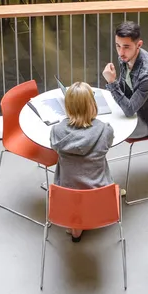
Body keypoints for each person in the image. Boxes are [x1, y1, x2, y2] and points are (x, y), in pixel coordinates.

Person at [50, 82, 115, 242]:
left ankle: (75, 227)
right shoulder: (105, 131)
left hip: (66, 198)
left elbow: (54, 147)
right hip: (99, 196)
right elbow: (107, 145)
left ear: (68, 107)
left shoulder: (57, 132)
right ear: (93, 105)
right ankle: (90, 214)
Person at [102, 21, 148, 152]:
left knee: (104, 130)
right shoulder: (126, 57)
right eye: (118, 46)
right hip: (136, 107)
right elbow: (125, 89)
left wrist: (112, 83)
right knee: (100, 118)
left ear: (138, 45)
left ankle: (93, 168)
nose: (121, 52)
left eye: (126, 47)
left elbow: (129, 110)